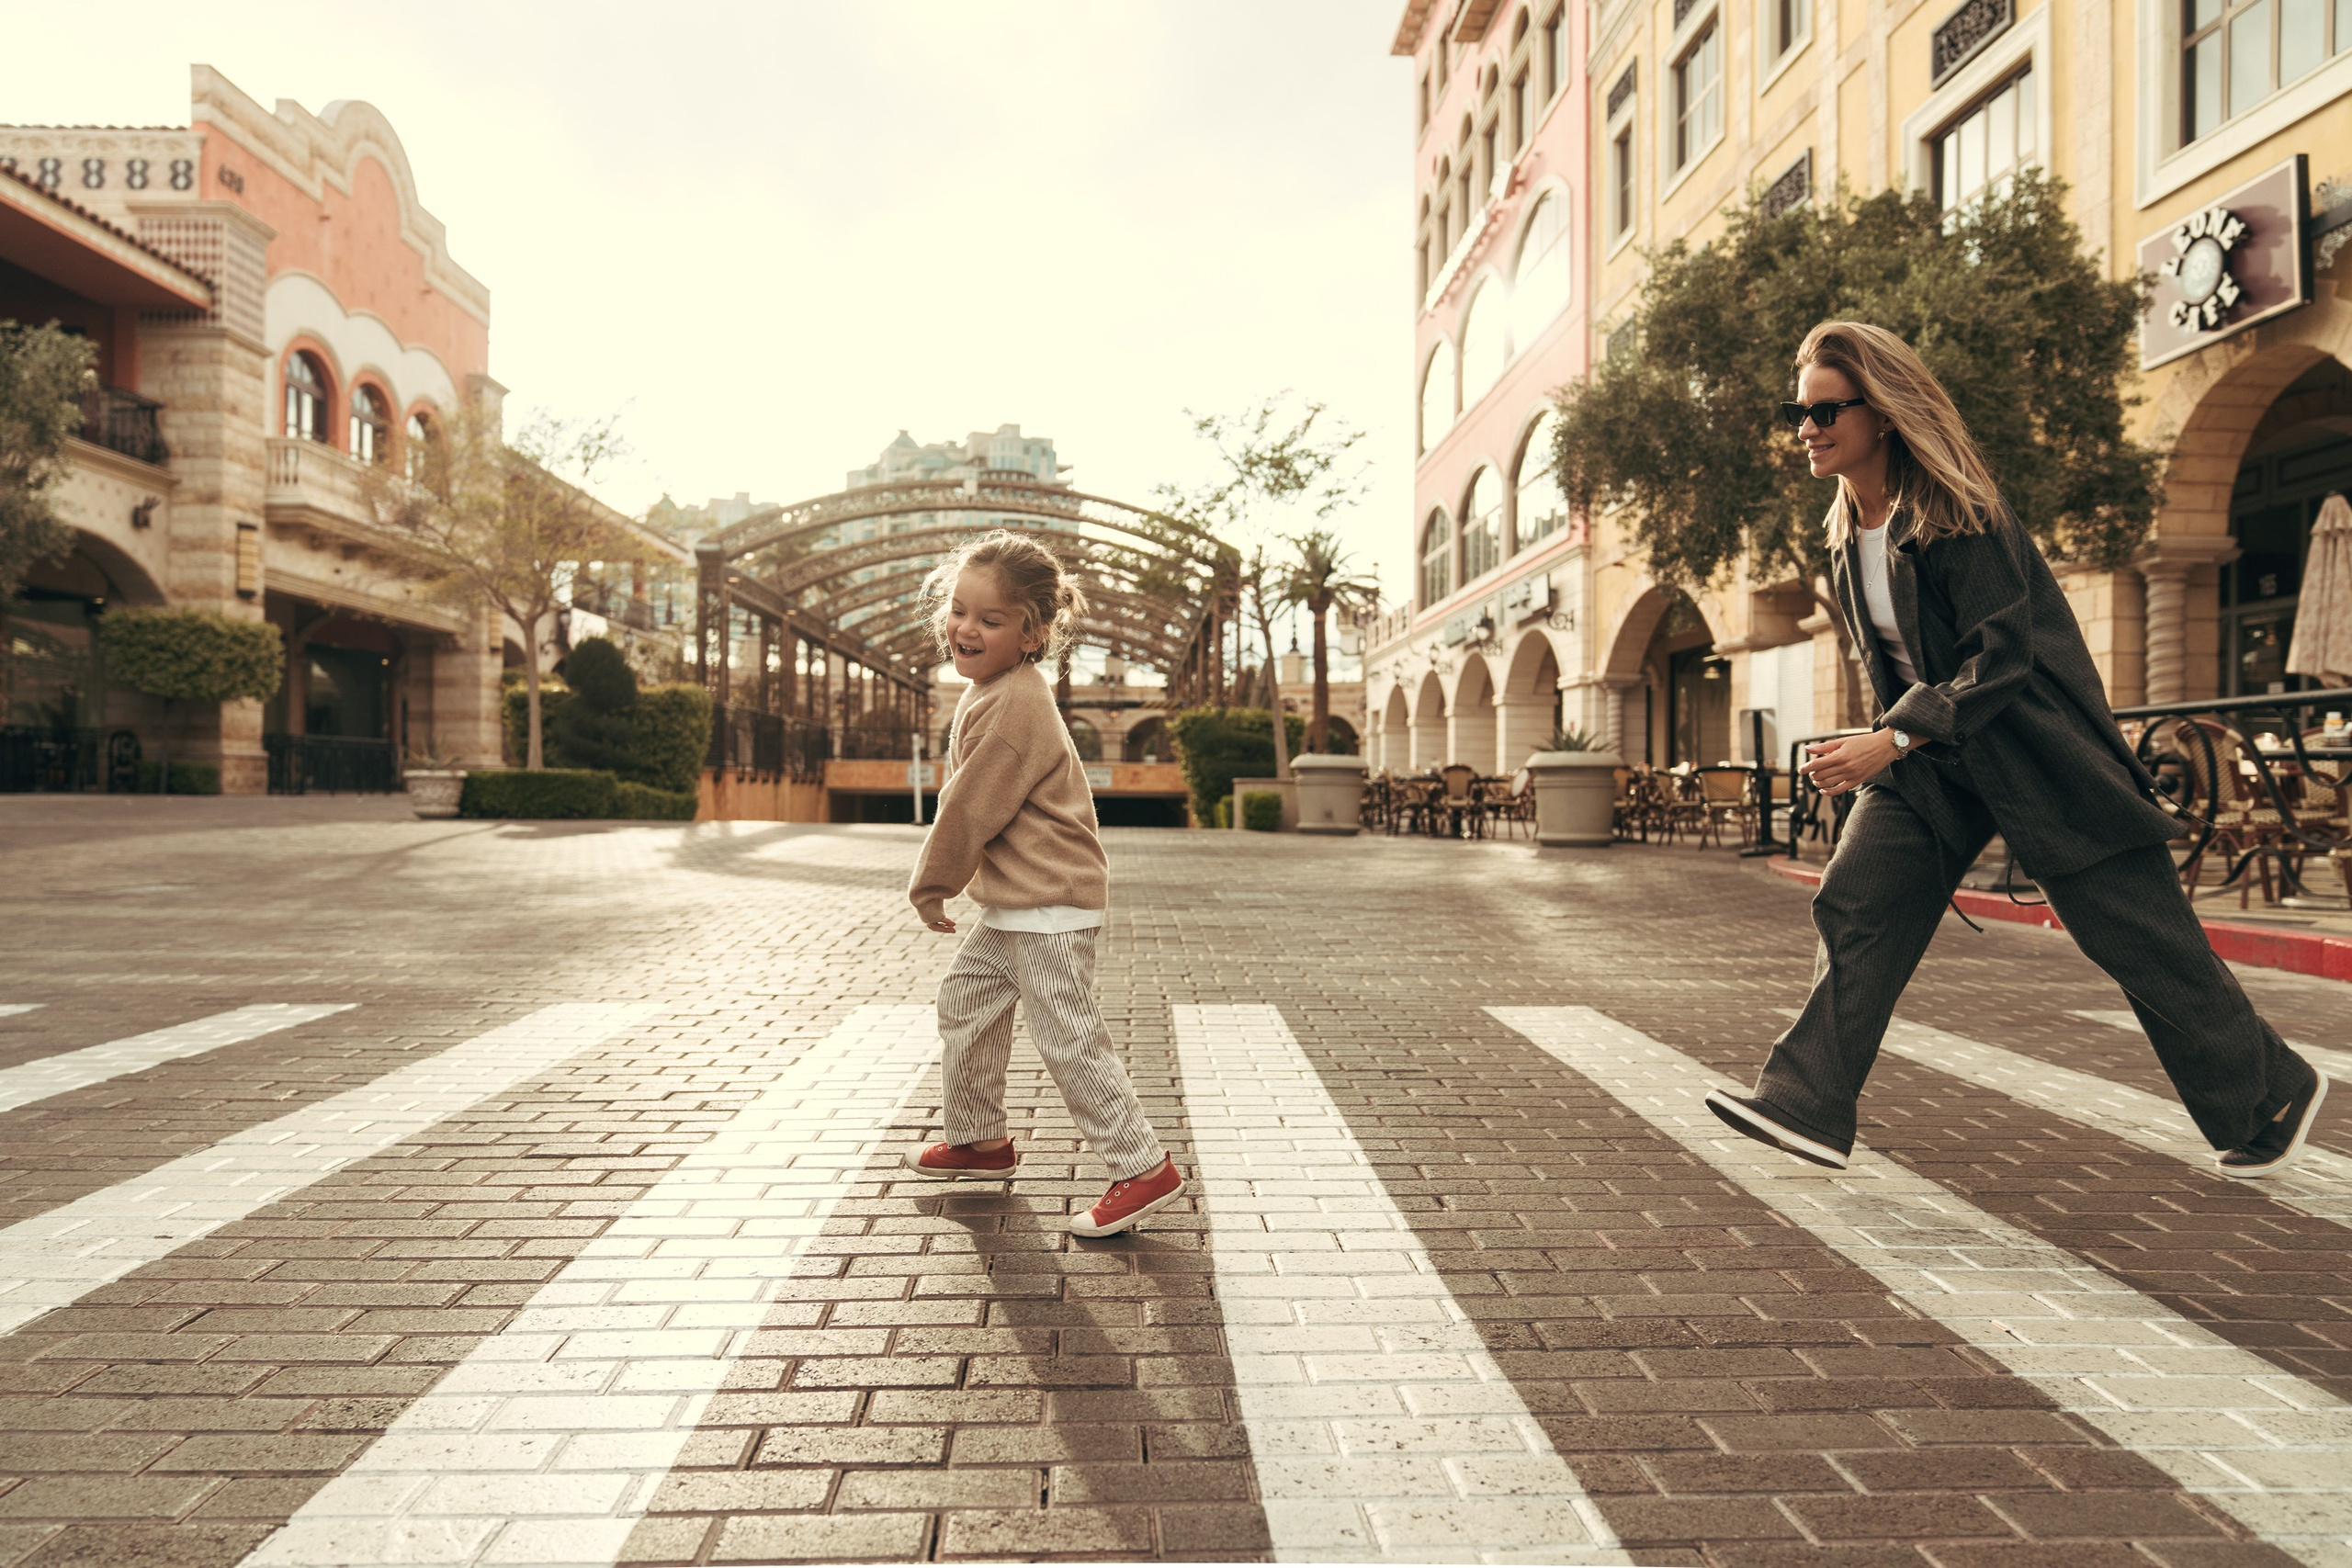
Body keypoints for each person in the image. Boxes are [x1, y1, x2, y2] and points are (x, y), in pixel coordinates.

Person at [1706, 321, 2328, 1179]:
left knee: (2136, 938)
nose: (1805, 428)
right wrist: (1885, 747)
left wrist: (1889, 738)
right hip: (1932, 762)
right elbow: (1891, 667)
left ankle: (2270, 1095)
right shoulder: (1847, 534)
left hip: (2036, 755)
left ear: (1881, 413)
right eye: (1797, 413)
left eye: (1824, 411)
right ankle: (1805, 1100)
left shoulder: (1959, 512)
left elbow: (2003, 657)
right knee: (1856, 899)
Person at [906, 530, 1186, 1235]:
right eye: (959, 609)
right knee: (967, 998)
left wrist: (932, 883)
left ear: (1033, 633)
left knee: (1068, 1037)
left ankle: (1141, 1165)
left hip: (1050, 904)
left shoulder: (1011, 703)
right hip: (1018, 904)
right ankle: (980, 1139)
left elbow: (971, 806)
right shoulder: (996, 689)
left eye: (991, 619)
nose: (967, 627)